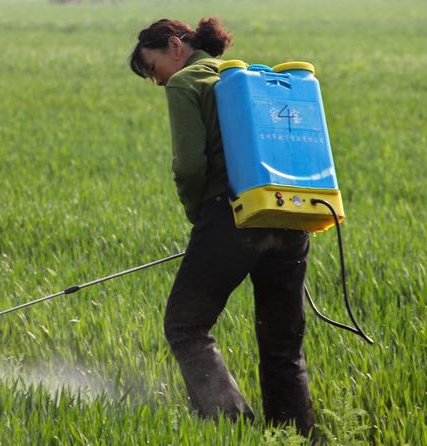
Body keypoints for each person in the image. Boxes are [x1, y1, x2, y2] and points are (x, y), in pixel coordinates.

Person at [129, 18, 315, 437]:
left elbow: (190, 166)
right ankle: (296, 437)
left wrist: (200, 215)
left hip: (230, 216)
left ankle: (234, 430)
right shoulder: (245, 78)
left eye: (152, 68)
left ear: (176, 46)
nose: (157, 81)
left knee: (185, 325)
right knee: (282, 346)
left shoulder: (186, 83)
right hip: (288, 216)